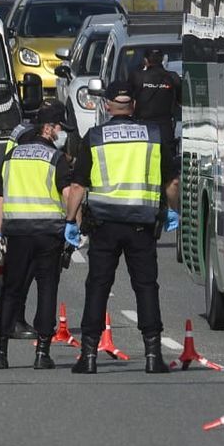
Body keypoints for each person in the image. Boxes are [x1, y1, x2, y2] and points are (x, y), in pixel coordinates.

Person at [69, 86, 173, 375]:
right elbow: (172, 183)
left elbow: (77, 186)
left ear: (107, 105)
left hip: (104, 225)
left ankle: (88, 356)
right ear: (135, 105)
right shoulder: (154, 135)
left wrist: (69, 221)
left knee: (98, 287)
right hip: (142, 223)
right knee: (146, 287)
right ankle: (153, 355)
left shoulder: (95, 137)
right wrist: (173, 210)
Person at [0, 103, 84, 369]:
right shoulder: (55, 159)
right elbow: (68, 195)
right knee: (47, 290)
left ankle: (0, 353)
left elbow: (0, 197)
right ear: (47, 128)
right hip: (48, 234)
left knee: (11, 290)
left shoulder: (11, 157)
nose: (61, 133)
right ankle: (42, 354)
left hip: (16, 232)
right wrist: (75, 225)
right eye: (58, 128)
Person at [123, 47, 182, 206]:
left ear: (146, 60)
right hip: (165, 131)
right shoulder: (173, 78)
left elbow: (127, 100)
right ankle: (171, 208)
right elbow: (182, 102)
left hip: (142, 130)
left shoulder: (137, 76)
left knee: (142, 168)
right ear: (163, 60)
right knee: (168, 173)